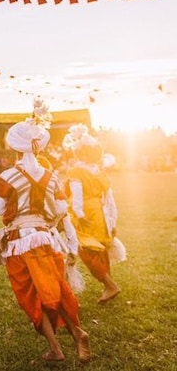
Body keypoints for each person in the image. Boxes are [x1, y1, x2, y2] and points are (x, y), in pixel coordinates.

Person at [0, 119, 91, 363]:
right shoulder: (51, 176)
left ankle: (65, 342)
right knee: (54, 288)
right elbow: (60, 208)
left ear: (15, 148)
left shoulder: (8, 177)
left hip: (21, 241)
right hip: (46, 238)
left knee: (32, 294)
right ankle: (69, 339)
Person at [62, 124, 124, 304]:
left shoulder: (77, 172)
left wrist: (79, 215)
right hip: (101, 213)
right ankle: (108, 285)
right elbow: (109, 199)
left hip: (86, 213)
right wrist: (111, 221)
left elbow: (78, 197)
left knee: (87, 250)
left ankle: (110, 285)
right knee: (101, 249)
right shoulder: (100, 174)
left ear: (80, 153)